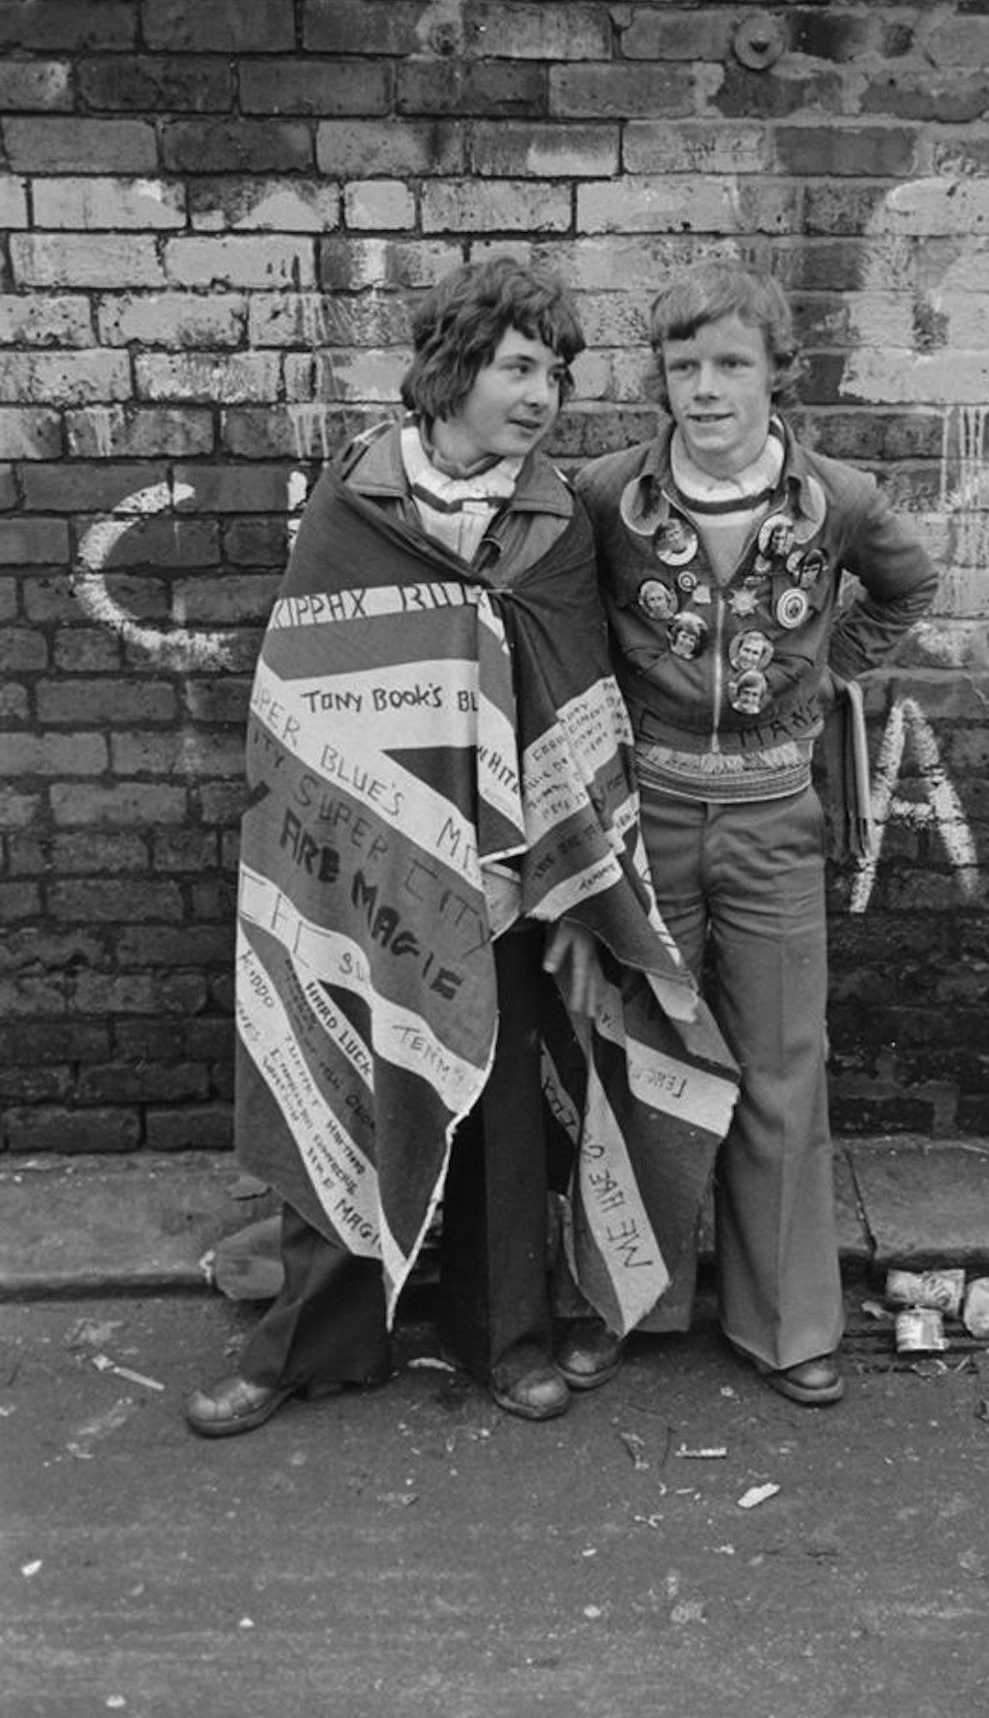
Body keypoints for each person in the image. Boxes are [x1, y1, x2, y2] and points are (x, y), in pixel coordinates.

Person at [184, 258, 735, 1438]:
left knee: (501, 1111)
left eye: (558, 374)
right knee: (343, 1077)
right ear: (453, 368)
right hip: (360, 866)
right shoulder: (358, 504)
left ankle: (507, 1339)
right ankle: (312, 1344)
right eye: (520, 367)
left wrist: (533, 871)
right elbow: (305, 700)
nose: (542, 396)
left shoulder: (554, 524)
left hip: (512, 875)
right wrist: (365, 844)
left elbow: (571, 701)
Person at [570, 260, 938, 1406]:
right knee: (641, 1057)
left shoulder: (839, 499)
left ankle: (785, 1324)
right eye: (683, 365)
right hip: (649, 816)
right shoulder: (607, 495)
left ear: (779, 374)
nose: (706, 388)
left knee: (781, 1067)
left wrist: (828, 673)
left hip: (777, 817)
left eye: (732, 363)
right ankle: (626, 1301)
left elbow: (907, 587)